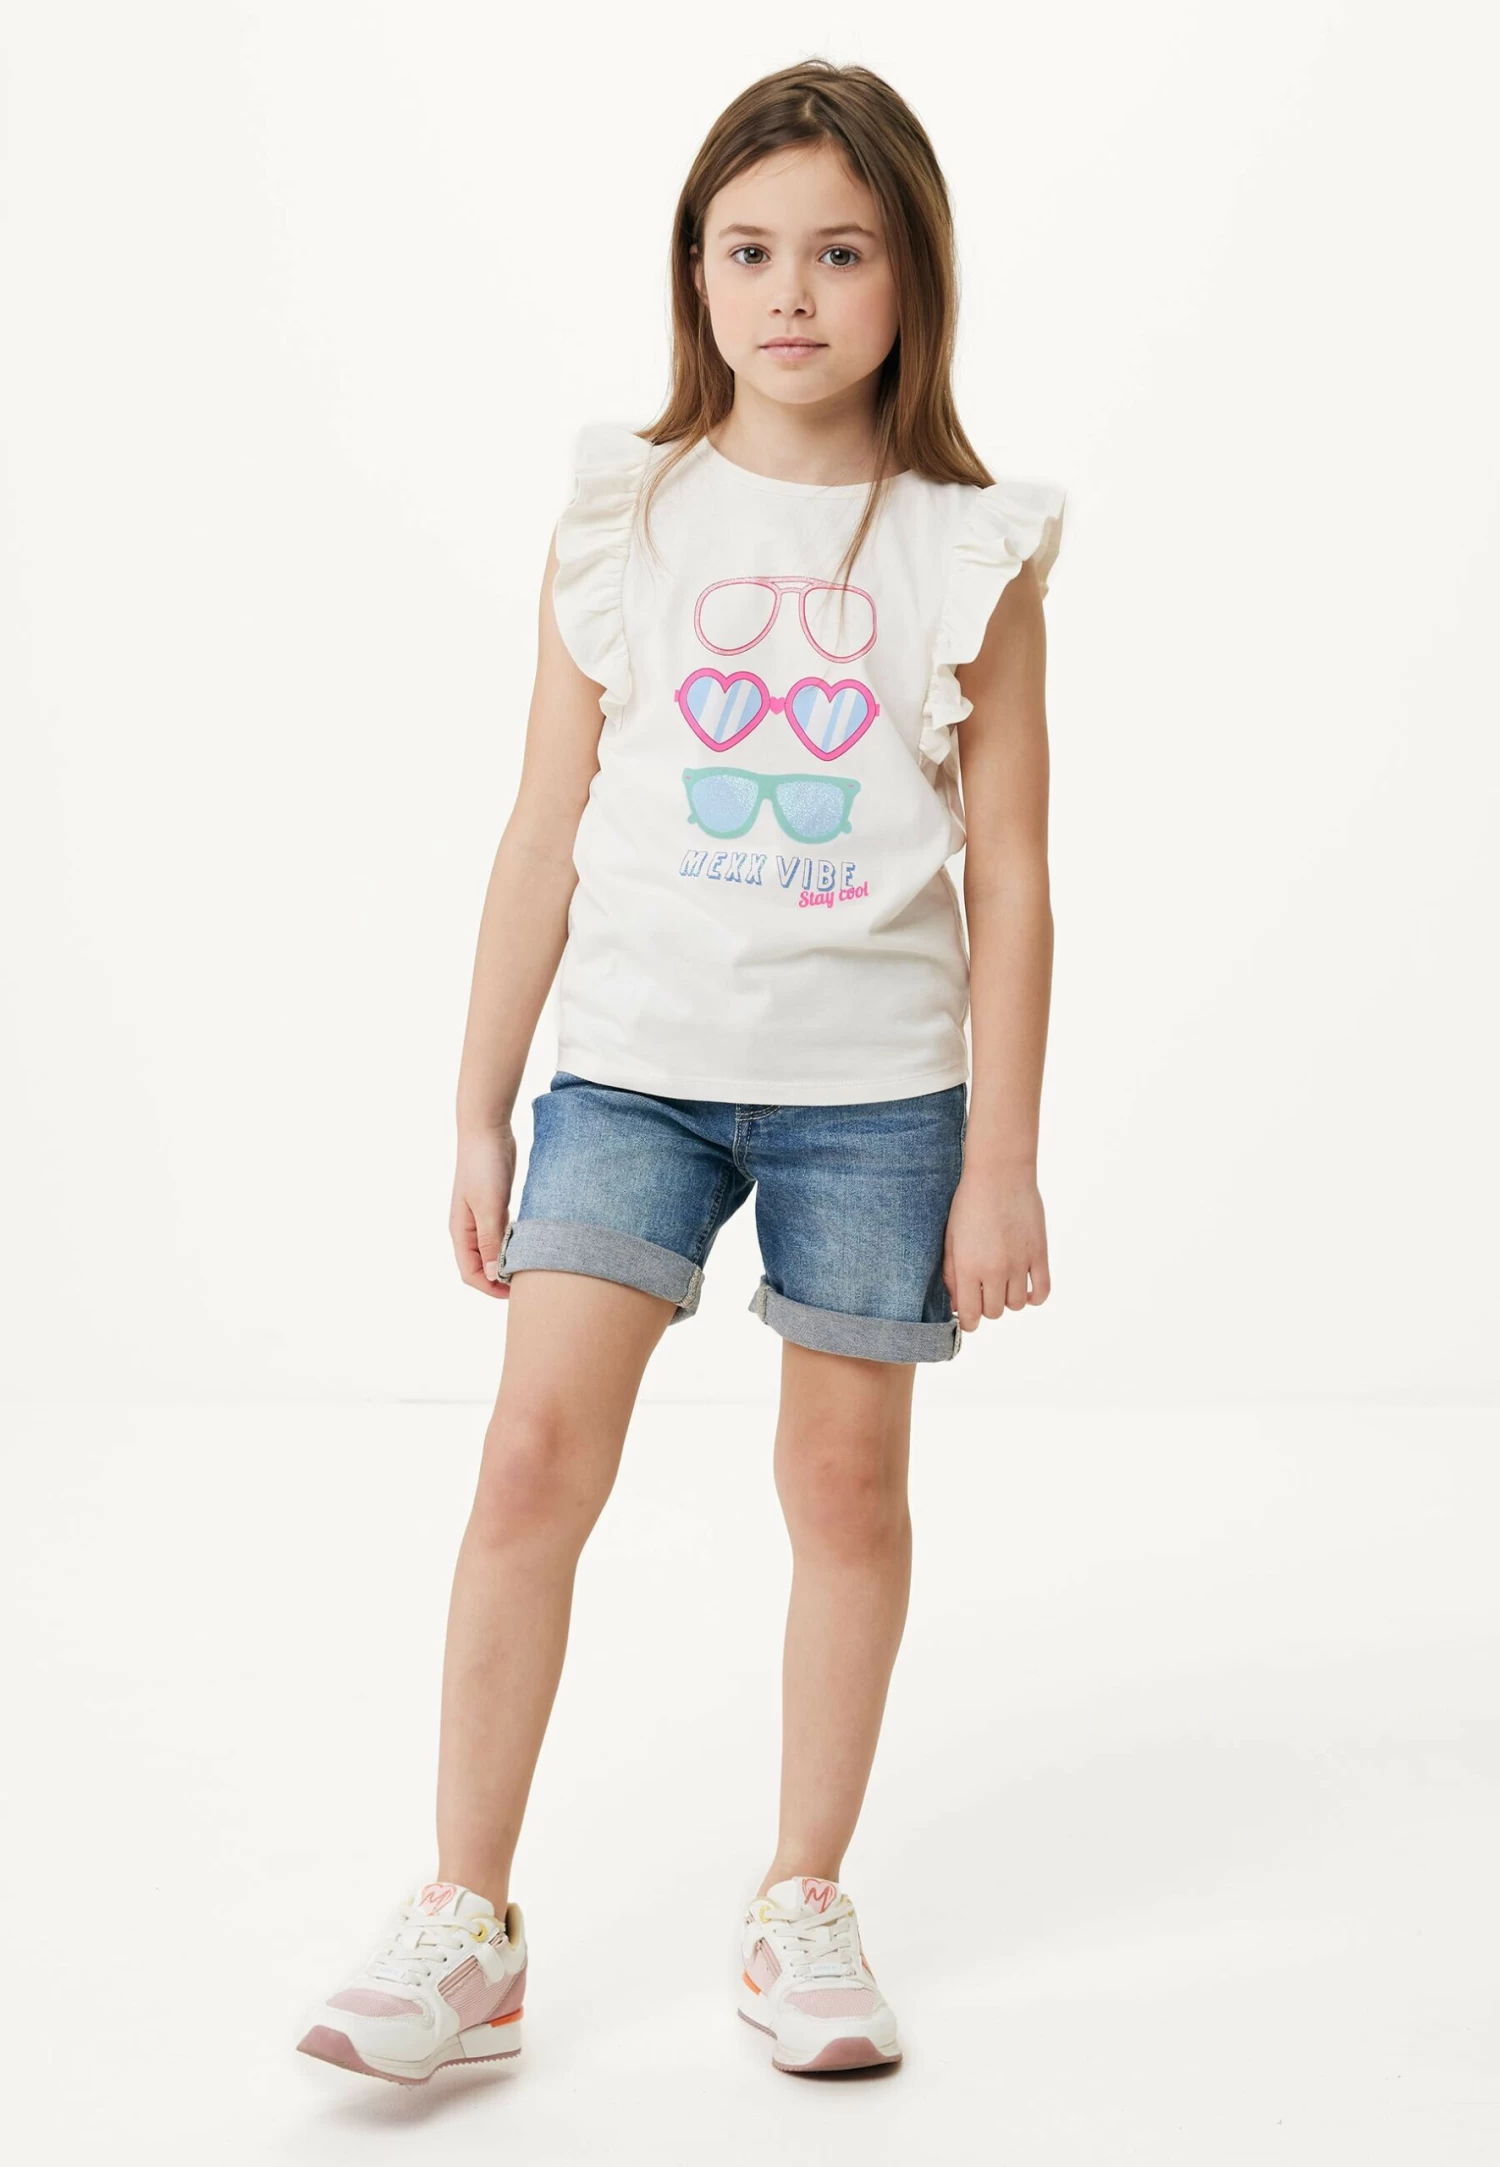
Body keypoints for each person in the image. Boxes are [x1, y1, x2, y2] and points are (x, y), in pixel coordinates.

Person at [296, 56, 1065, 2086]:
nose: (790, 291)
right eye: (749, 250)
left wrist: (1003, 1158)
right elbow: (542, 824)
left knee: (845, 1487)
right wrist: (481, 1102)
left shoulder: (970, 548)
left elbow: (1013, 876)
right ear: (694, 272)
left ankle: (803, 1896)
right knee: (530, 1460)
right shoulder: (621, 514)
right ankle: (466, 1918)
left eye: (841, 252)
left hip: (875, 1102)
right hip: (629, 1075)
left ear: (912, 281)